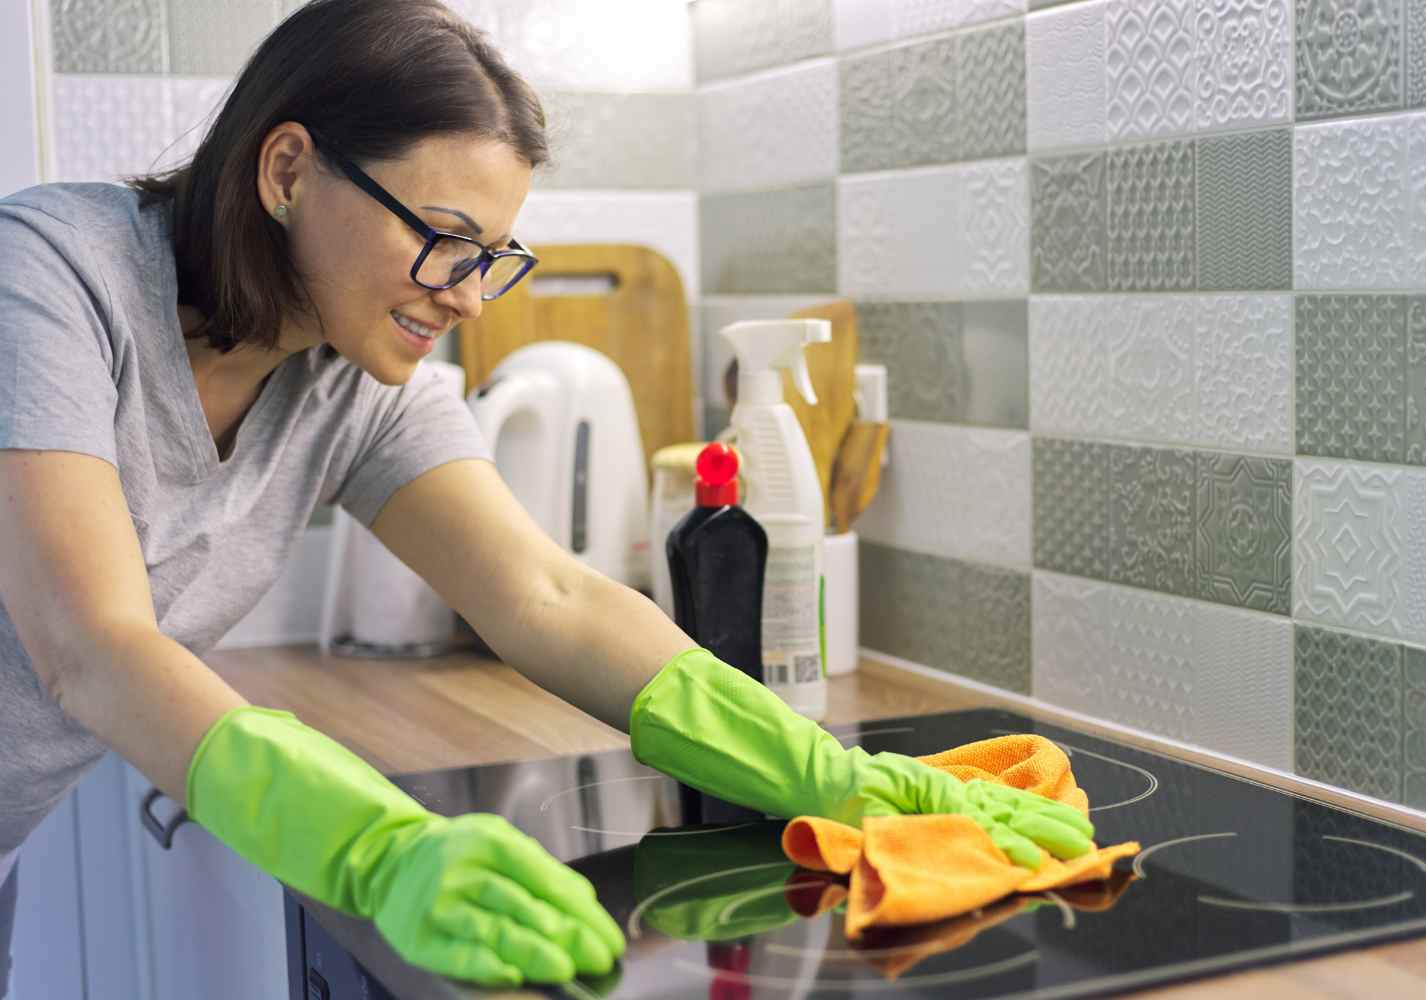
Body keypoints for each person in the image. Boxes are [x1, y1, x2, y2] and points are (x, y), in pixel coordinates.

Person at [0, 0, 1094, 990]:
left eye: (490, 255)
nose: (471, 297)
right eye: (443, 239)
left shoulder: (357, 379)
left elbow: (546, 596)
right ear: (287, 170)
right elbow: (90, 642)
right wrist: (378, 850)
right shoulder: (50, 277)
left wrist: (835, 778)